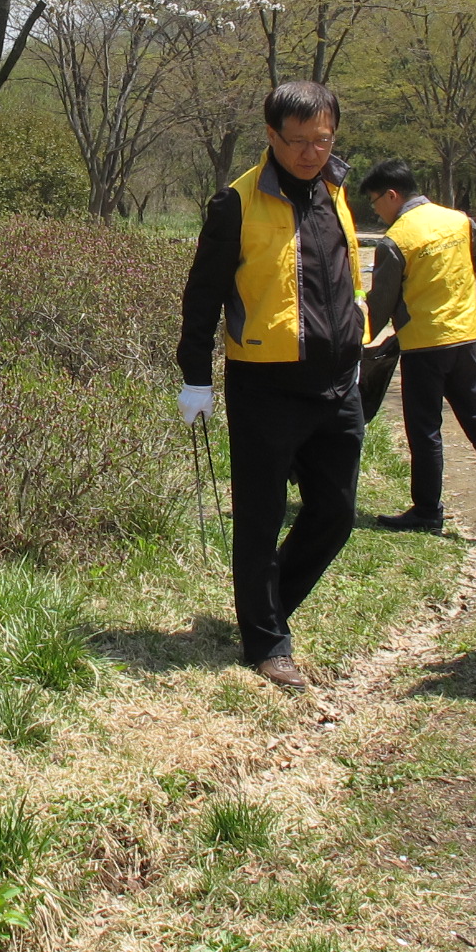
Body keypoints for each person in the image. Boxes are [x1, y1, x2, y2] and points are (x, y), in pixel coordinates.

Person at [177, 81, 367, 692]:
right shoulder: (234, 204)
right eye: (299, 141)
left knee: (335, 513)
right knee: (258, 517)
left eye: (323, 138)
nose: (313, 151)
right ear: (271, 136)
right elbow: (202, 297)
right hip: (265, 383)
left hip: (338, 381)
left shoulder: (336, 191)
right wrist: (195, 378)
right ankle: (266, 642)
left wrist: (360, 341)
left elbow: (347, 277)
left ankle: (266, 609)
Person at [358, 160, 476, 540]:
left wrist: (359, 340)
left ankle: (428, 510)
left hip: (423, 345)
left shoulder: (396, 239)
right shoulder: (457, 220)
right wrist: (463, 267)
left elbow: (381, 304)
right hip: (464, 337)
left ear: (392, 195)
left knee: (425, 430)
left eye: (375, 202)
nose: (376, 210)